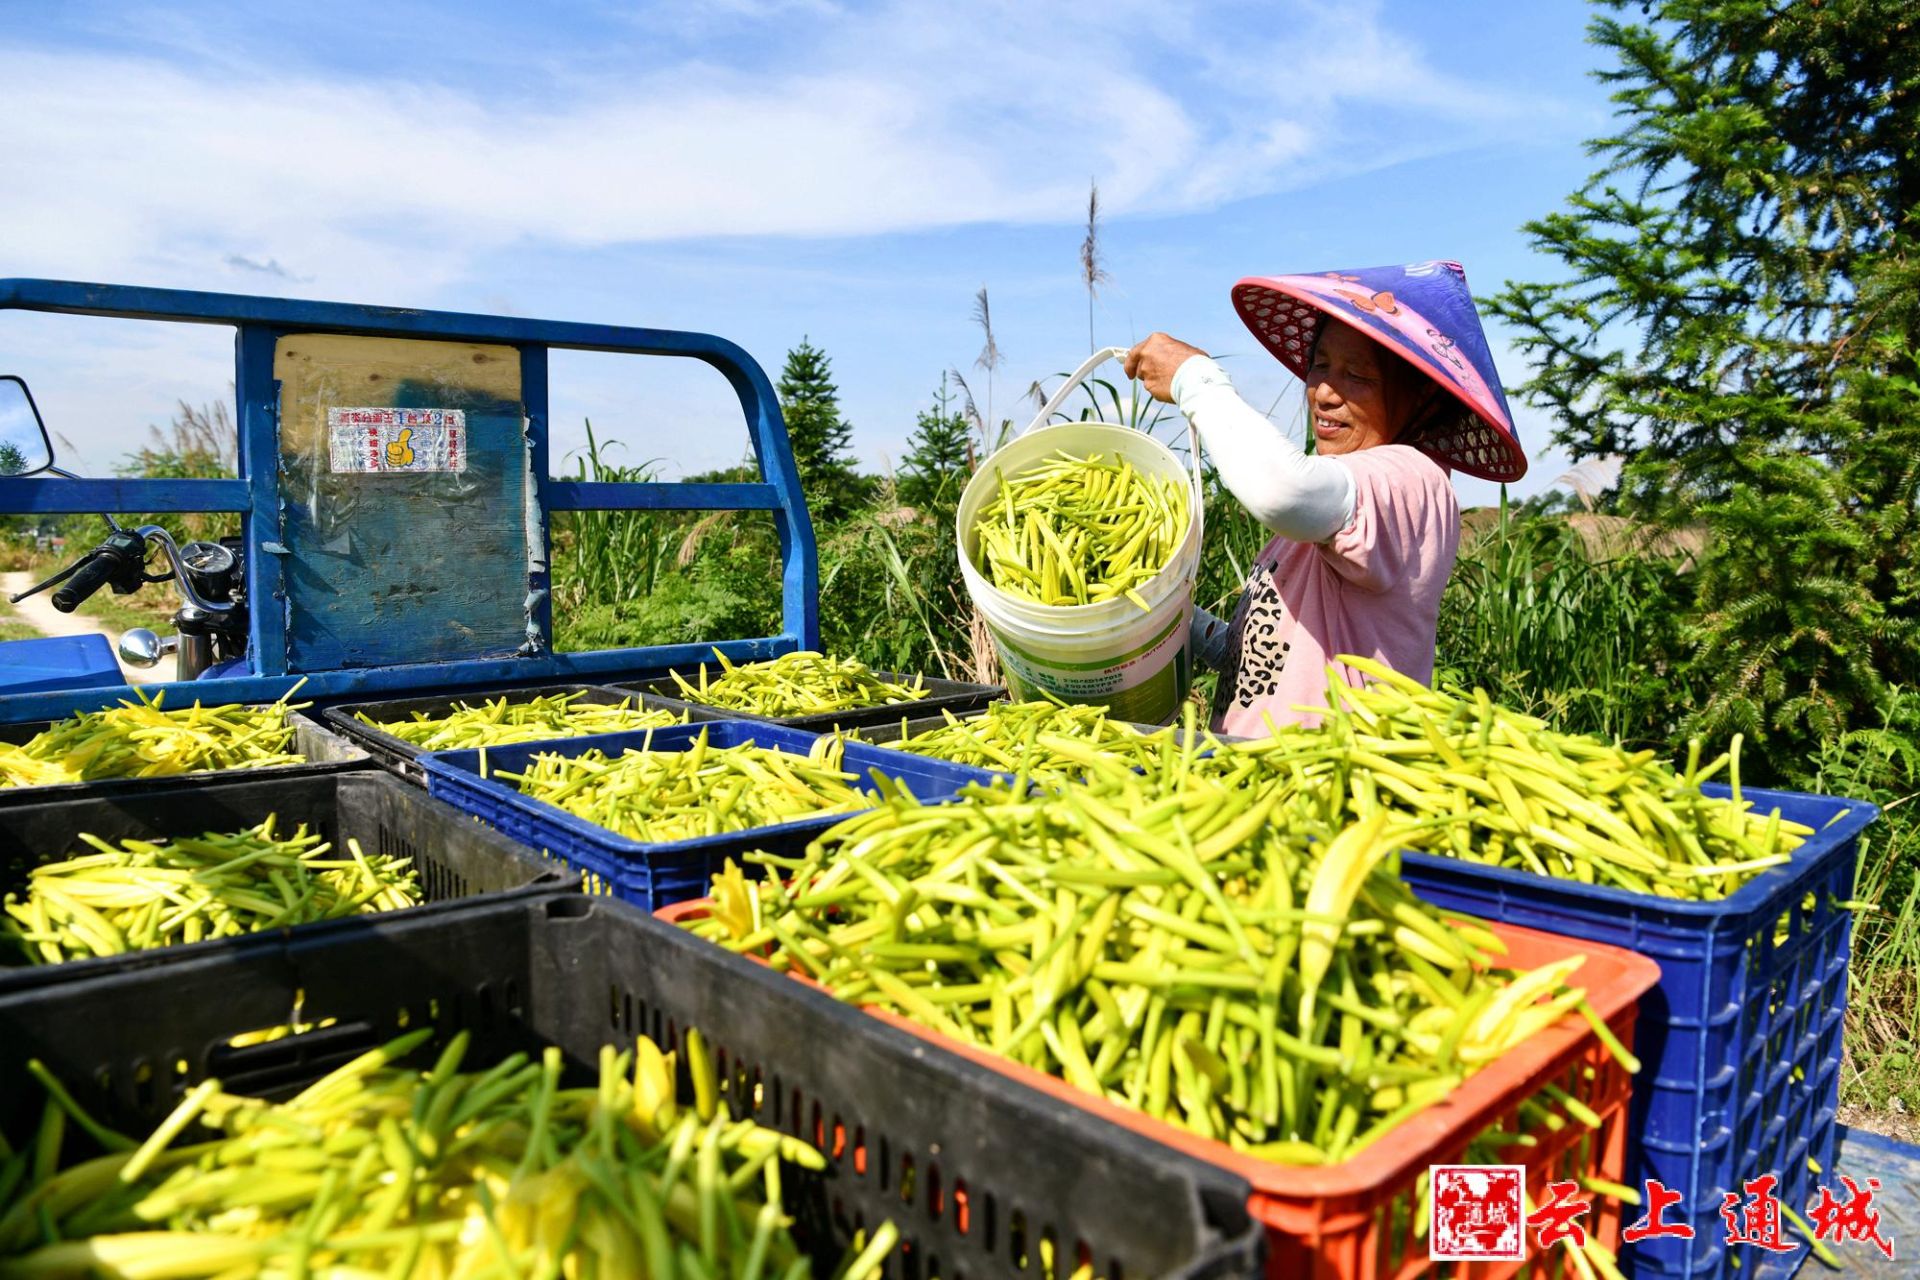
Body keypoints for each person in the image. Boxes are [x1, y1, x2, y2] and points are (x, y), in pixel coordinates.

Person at [1124, 260, 1528, 735]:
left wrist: (1194, 378)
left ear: (1421, 399)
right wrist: (1163, 619)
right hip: (1263, 780)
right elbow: (1267, 658)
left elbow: (1281, 490)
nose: (1325, 393)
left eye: (1358, 375)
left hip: (1329, 788)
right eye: (1320, 365)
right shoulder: (1327, 518)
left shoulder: (1412, 479)